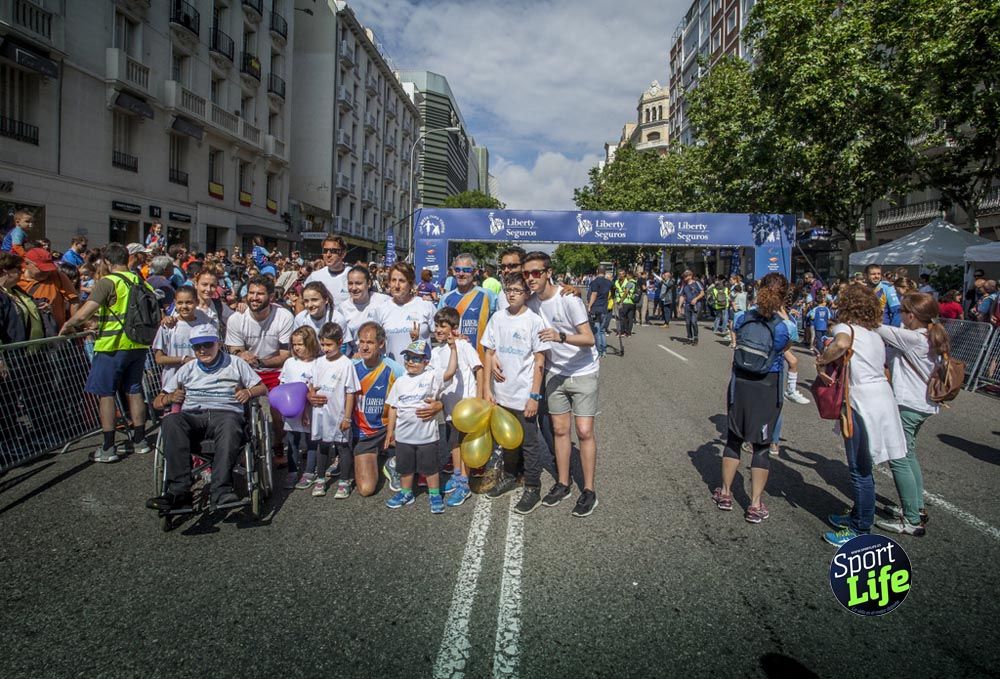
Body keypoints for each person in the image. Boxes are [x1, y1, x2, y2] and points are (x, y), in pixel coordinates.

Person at [816, 284, 907, 547]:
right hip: (880, 397)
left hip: (861, 400)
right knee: (864, 463)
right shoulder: (873, 333)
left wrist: (822, 360)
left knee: (859, 468)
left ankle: (860, 527)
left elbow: (841, 344)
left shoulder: (846, 329)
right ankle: (858, 514)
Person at [146, 324, 267, 511]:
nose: (202, 350)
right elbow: (157, 401)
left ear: (218, 343)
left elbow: (262, 387)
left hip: (226, 413)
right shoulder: (188, 368)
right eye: (197, 346)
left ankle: (222, 490)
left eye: (207, 344)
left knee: (229, 425)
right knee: (171, 421)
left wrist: (249, 392)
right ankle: (179, 491)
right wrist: (169, 398)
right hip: (194, 416)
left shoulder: (236, 363)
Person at [60, 243, 156, 462]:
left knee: (107, 393)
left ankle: (108, 446)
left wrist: (68, 326)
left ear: (108, 262)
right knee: (134, 390)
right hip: (138, 345)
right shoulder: (140, 281)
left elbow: (85, 313)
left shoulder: (108, 282)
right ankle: (140, 441)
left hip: (111, 345)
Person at [523, 251, 599, 517]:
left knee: (584, 430)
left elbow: (589, 339)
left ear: (547, 273)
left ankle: (589, 490)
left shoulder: (568, 299)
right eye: (527, 273)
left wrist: (559, 336)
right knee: (559, 430)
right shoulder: (531, 302)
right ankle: (563, 484)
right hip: (555, 373)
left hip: (583, 370)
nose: (531, 278)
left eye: (536, 273)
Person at [712, 273, 790, 524]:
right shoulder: (784, 326)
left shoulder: (741, 317)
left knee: (734, 438)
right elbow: (787, 346)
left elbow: (736, 333)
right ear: (783, 296)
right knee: (762, 445)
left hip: (740, 383)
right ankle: (754, 504)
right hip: (767, 385)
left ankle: (725, 493)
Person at [873, 292, 946, 536]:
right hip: (923, 404)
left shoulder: (913, 338)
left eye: (902, 311)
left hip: (909, 404)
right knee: (909, 454)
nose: (899, 315)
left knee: (899, 458)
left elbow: (875, 326)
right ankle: (917, 508)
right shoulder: (930, 335)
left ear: (911, 315)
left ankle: (912, 519)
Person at [481, 272, 550, 514]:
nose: (512, 294)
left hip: (524, 396)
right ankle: (509, 476)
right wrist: (489, 388)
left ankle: (532, 486)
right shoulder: (498, 318)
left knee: (530, 444)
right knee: (507, 441)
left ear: (527, 294)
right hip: (502, 395)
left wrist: (534, 396)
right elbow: (489, 351)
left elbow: (540, 361)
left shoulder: (534, 321)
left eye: (517, 291)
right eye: (508, 290)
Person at [384, 339, 446, 513]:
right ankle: (406, 493)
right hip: (404, 436)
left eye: (416, 358)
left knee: (431, 468)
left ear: (426, 362)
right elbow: (393, 407)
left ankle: (434, 494)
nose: (411, 361)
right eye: (408, 357)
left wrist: (454, 347)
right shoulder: (400, 381)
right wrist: (390, 431)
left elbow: (449, 372)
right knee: (405, 468)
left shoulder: (431, 376)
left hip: (426, 436)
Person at [431, 307, 483, 507]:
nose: (438, 330)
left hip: (467, 405)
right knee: (454, 441)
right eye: (436, 325)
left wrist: (479, 398)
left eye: (443, 326)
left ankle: (464, 484)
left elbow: (478, 369)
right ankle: (457, 474)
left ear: (454, 328)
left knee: (464, 442)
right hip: (450, 407)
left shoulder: (463, 346)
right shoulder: (436, 351)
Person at [349, 321, 405, 496]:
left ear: (381, 344)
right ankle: (372, 458)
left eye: (370, 342)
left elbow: (413, 392)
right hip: (364, 434)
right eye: (361, 342)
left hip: (389, 429)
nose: (364, 347)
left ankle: (393, 460)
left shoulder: (394, 369)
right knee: (366, 490)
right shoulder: (351, 368)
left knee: (420, 444)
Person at [306, 322, 360, 498]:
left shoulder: (346, 364)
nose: (325, 349)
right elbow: (311, 386)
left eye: (329, 344)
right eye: (323, 344)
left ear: (340, 342)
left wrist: (347, 417)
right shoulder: (318, 362)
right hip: (320, 413)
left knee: (343, 446)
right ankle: (320, 479)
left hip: (338, 415)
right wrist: (311, 396)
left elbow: (351, 392)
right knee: (323, 445)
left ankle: (344, 481)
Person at [438, 253, 498, 363]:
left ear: (475, 272)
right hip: (453, 360)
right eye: (457, 270)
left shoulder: (488, 296)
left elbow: (497, 327)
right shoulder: (446, 299)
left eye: (466, 270)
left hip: (481, 360)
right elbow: (439, 330)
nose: (461, 274)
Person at [281, 326, 320, 491]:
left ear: (310, 343)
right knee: (292, 439)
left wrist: (306, 407)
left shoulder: (318, 363)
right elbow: (283, 383)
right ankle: (292, 470)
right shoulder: (289, 362)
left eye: (300, 344)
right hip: (291, 409)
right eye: (294, 344)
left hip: (310, 409)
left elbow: (315, 387)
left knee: (312, 440)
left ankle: (310, 471)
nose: (296, 347)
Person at [370, 263, 435, 363]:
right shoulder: (381, 310)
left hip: (422, 374)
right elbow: (376, 344)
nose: (396, 286)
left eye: (402, 281)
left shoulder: (426, 306)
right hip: (393, 374)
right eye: (393, 280)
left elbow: (442, 335)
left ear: (410, 283)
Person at [152, 286, 213, 389]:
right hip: (173, 383)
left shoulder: (204, 323)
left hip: (200, 381)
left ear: (197, 302)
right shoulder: (168, 326)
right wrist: (183, 359)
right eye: (180, 303)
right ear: (175, 303)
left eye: (189, 302)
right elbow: (159, 358)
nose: (184, 306)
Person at [19, 247, 79, 334]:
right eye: (42, 269)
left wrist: (73, 324)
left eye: (49, 268)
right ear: (27, 264)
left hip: (54, 333)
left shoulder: (58, 276)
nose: (47, 272)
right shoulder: (15, 279)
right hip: (25, 333)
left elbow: (74, 300)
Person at [292, 281, 353, 349]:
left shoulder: (337, 319)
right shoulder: (300, 319)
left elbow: (343, 347)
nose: (309, 305)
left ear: (326, 300)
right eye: (306, 301)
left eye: (314, 300)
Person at [339, 264, 391, 340]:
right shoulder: (343, 308)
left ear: (369, 284)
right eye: (350, 283)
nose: (353, 288)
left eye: (358, 283)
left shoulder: (384, 301)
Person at [304, 235, 351, 307]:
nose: (328, 255)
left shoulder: (353, 275)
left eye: (333, 251)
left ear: (343, 254)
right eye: (325, 251)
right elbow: (301, 301)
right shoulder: (315, 276)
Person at [0, 252, 34, 343]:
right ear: (5, 271)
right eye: (18, 268)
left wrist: (41, 305)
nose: (22, 271)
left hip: (26, 352)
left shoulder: (16, 290)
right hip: (9, 353)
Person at [587, 266, 613, 358]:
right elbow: (613, 293)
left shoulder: (595, 282)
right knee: (602, 331)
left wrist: (589, 306)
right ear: (605, 272)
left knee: (597, 331)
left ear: (597, 271)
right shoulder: (609, 283)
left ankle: (598, 351)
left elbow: (594, 294)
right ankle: (604, 351)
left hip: (596, 308)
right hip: (604, 308)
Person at [676, 270, 705, 345]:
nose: (684, 277)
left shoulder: (696, 283)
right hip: (687, 305)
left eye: (686, 276)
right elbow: (682, 296)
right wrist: (679, 307)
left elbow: (702, 293)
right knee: (688, 323)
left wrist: (696, 299)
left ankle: (695, 338)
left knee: (693, 321)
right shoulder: (684, 285)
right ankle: (689, 338)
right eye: (684, 276)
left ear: (690, 276)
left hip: (696, 305)